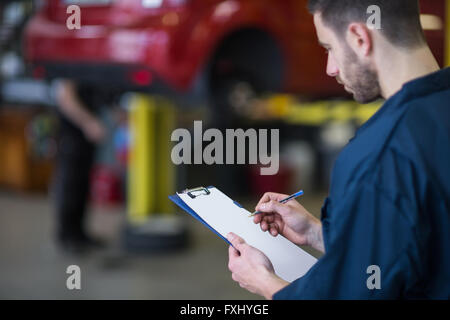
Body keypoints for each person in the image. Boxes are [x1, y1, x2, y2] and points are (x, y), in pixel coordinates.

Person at [227, 0, 450, 299]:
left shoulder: (380, 156)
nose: (330, 68)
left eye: (329, 48)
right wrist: (318, 233)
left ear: (360, 38)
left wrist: (264, 282)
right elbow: (422, 246)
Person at [52, 79, 107, 253]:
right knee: (70, 186)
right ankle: (67, 236)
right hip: (71, 139)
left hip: (84, 140)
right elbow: (66, 100)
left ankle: (79, 234)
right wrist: (88, 122)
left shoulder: (88, 71)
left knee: (82, 187)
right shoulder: (69, 69)